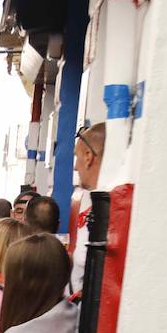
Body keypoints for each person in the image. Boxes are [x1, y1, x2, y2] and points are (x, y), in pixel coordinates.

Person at [70, 123, 107, 292]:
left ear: (88, 157)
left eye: (77, 157)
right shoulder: (89, 202)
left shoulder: (107, 208)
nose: (76, 166)